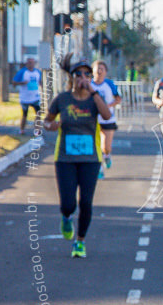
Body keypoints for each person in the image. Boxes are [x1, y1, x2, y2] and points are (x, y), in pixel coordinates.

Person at [42, 58, 112, 258]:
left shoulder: (94, 99)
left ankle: (80, 241)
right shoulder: (62, 99)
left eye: (87, 75)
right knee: (67, 203)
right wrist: (51, 126)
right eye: (78, 74)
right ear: (72, 78)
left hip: (90, 159)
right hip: (65, 158)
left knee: (86, 202)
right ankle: (66, 217)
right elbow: (46, 121)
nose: (83, 78)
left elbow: (107, 116)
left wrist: (94, 92)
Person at [91, 60, 121, 175]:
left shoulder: (109, 84)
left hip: (108, 119)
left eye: (102, 69)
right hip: (93, 119)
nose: (99, 71)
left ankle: (107, 155)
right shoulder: (89, 84)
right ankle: (99, 169)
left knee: (106, 146)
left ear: (105, 72)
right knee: (95, 145)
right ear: (92, 71)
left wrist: (106, 106)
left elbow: (118, 99)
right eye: (97, 68)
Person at [13, 57, 43, 134]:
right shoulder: (22, 72)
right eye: (29, 62)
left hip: (35, 97)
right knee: (25, 114)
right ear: (26, 63)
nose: (31, 64)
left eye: (32, 62)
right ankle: (22, 129)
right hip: (25, 98)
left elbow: (40, 82)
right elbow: (14, 82)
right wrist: (22, 83)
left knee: (38, 112)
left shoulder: (37, 72)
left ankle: (37, 130)